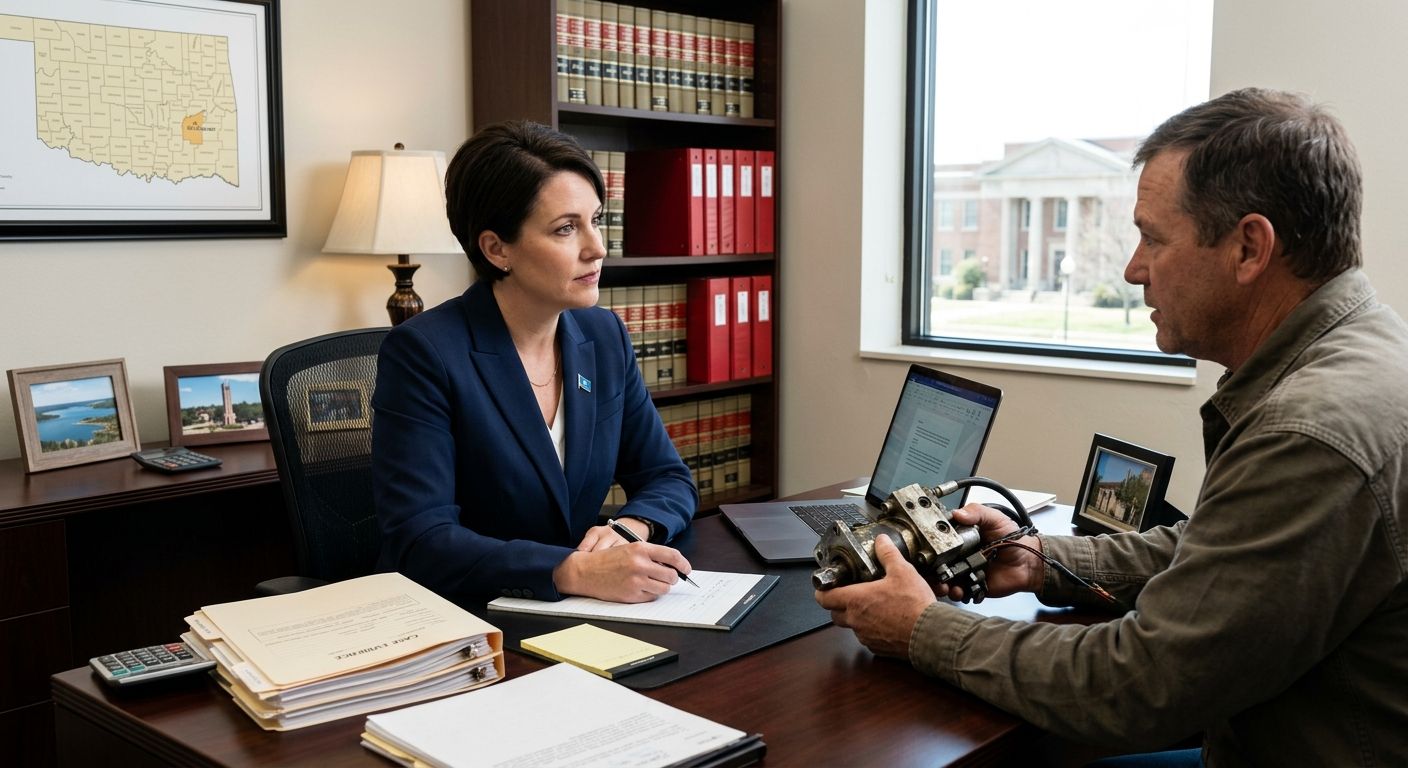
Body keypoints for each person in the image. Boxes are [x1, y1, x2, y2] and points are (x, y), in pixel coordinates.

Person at [816, 87, 1408, 766]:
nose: (1133, 270)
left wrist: (921, 628)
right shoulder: (1362, 350)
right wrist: (1042, 559)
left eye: (1153, 238)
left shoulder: (1310, 428)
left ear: (1249, 248)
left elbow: (1137, 685)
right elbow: (1228, 552)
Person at [372, 120, 698, 605]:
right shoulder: (424, 352)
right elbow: (422, 539)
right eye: (566, 228)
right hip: (468, 616)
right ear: (496, 248)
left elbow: (667, 477)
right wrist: (570, 570)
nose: (598, 248)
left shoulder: (602, 336)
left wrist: (632, 526)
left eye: (596, 219)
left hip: (582, 608)